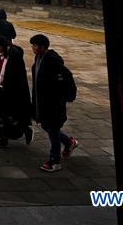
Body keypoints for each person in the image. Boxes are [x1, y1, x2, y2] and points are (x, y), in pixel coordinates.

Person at [29, 34, 79, 172]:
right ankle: (69, 142)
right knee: (48, 126)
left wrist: (66, 96)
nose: (33, 48)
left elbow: (65, 78)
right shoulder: (39, 58)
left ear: (43, 47)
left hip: (53, 103)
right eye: (32, 45)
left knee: (53, 129)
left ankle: (55, 160)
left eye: (35, 45)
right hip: (42, 102)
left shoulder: (53, 61)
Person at [0, 35, 33, 148]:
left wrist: (8, 84)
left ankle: (26, 129)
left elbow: (18, 75)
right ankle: (3, 138)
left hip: (12, 90)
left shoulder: (14, 55)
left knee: (12, 114)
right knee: (1, 114)